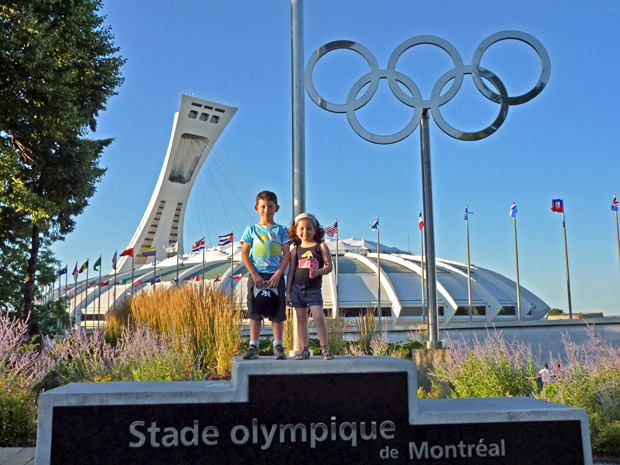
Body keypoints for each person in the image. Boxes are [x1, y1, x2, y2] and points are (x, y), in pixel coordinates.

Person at [241, 191, 291, 360]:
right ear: (256, 208)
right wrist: (254, 274)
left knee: (277, 312)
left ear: (276, 208)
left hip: (275, 274)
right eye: (263, 206)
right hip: (258, 276)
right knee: (255, 311)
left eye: (270, 207)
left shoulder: (282, 230)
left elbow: (287, 254)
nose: (266, 210)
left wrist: (279, 273)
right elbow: (245, 254)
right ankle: (253, 346)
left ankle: (278, 345)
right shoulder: (251, 230)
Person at [286, 213, 334, 360]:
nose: (305, 232)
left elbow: (329, 266)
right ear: (296, 230)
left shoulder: (321, 247)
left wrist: (318, 271)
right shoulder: (295, 250)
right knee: (301, 319)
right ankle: (304, 349)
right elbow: (291, 271)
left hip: (313, 290)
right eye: (301, 229)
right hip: (296, 288)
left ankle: (324, 349)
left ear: (315, 230)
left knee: (319, 317)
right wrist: (288, 291)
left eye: (309, 228)